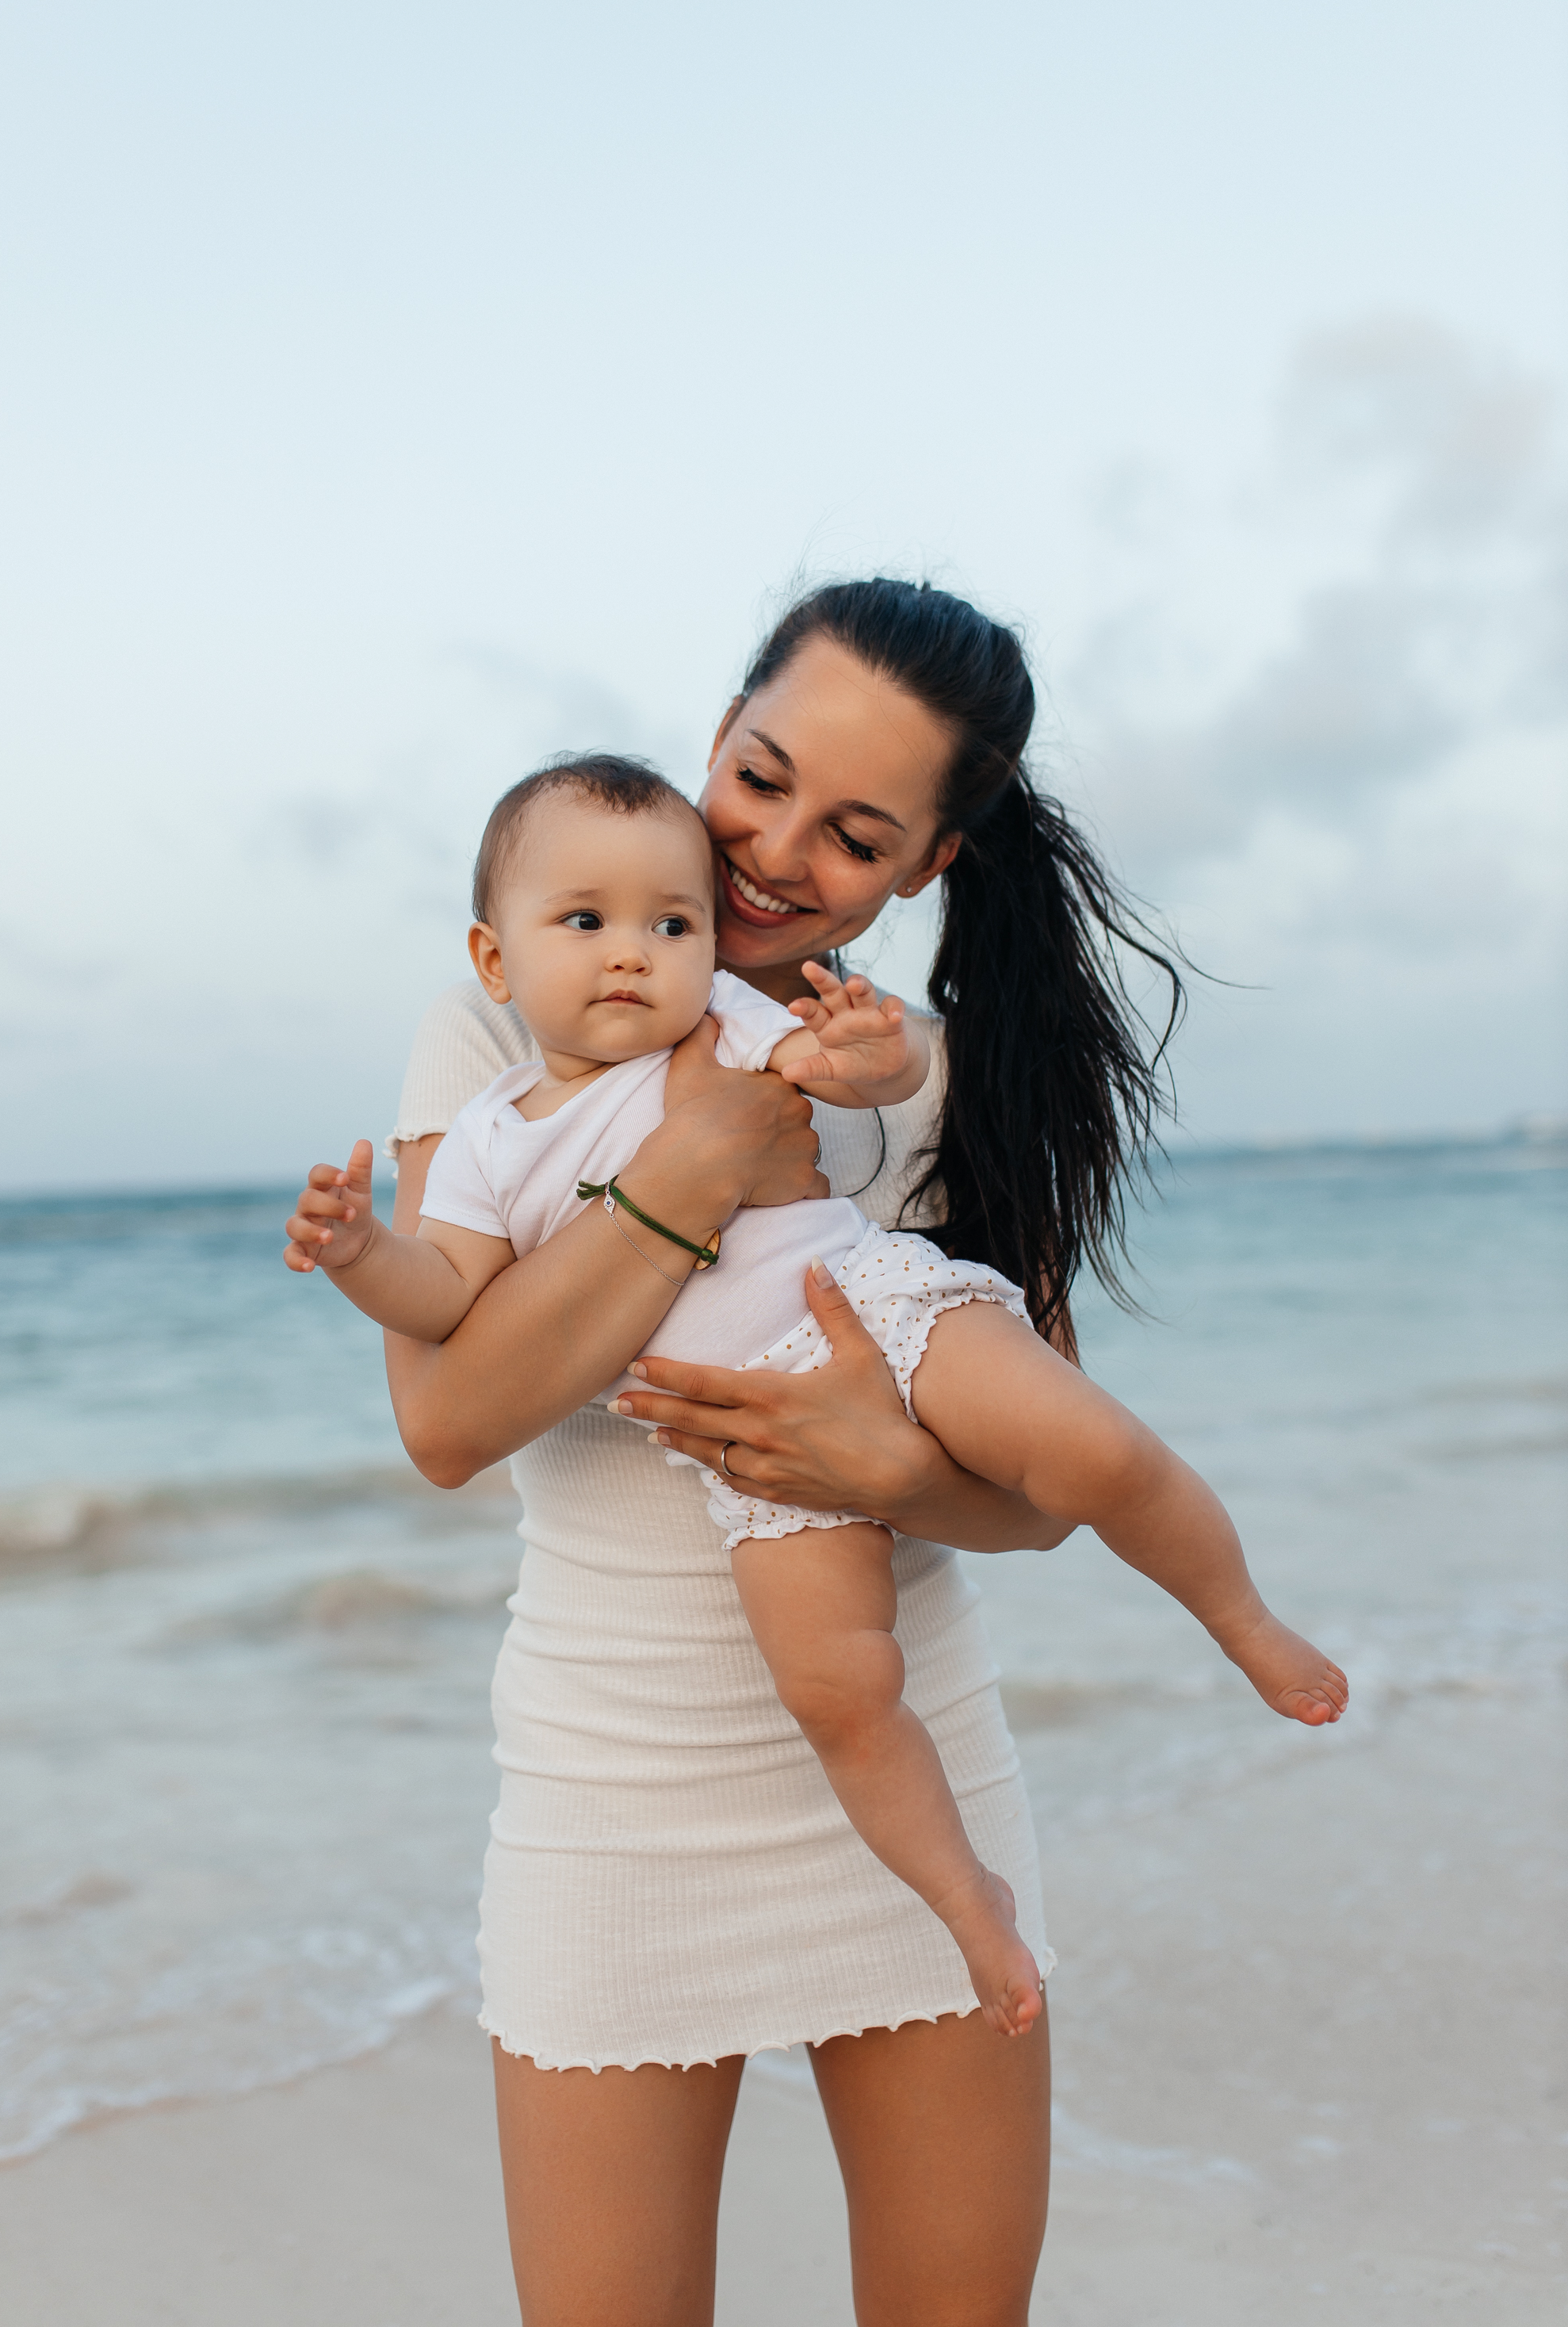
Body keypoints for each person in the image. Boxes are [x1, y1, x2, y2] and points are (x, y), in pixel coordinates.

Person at [357, 580, 1343, 2327]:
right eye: (759, 774)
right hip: (614, 1795)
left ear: (925, 868)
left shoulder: (931, 1075)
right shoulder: (509, 1028)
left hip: (910, 1769)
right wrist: (704, 1157)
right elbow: (449, 1419)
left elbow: (1044, 1487)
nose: (772, 852)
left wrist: (885, 1480)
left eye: (855, 832)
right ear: (718, 731)